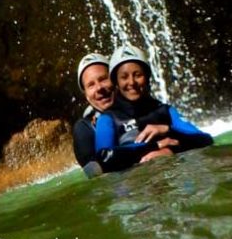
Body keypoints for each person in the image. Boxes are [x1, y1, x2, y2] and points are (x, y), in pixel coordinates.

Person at [94, 44, 213, 169]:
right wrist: (156, 145)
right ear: (116, 83)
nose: (132, 82)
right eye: (124, 77)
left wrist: (168, 132)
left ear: (147, 77)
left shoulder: (166, 111)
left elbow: (205, 140)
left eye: (138, 75)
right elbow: (104, 158)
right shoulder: (108, 118)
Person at [72, 49, 182, 177]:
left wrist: (169, 148)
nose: (99, 88)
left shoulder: (151, 109)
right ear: (86, 95)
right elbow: (95, 172)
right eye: (91, 85)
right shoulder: (84, 129)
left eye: (103, 79)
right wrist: (156, 146)